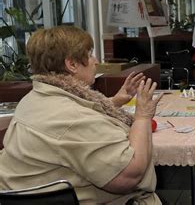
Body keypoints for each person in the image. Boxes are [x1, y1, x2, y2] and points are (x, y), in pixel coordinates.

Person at [0, 26, 162, 204]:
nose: (96, 61)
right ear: (72, 64)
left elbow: (77, 116)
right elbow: (128, 175)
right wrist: (143, 117)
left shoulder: (33, 99)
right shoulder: (71, 117)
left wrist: (115, 101)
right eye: (90, 54)